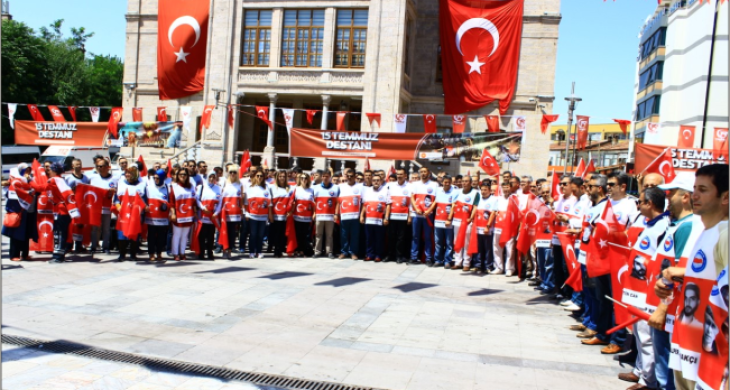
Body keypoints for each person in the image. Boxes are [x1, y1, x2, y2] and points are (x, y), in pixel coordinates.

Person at [657, 164, 728, 390]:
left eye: (703, 190)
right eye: (694, 188)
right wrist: (674, 278)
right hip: (687, 342)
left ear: (725, 197)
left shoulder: (724, 235)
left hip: (709, 352)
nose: (694, 195)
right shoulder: (705, 230)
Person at [644, 173, 696, 389]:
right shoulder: (677, 224)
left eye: (671, 192)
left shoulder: (687, 227)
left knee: (666, 374)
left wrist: (661, 309)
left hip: (669, 310)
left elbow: (676, 275)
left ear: (685, 197)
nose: (667, 197)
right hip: (664, 305)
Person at [47, 162, 82, 263]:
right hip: (61, 210)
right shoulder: (61, 180)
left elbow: (42, 187)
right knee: (60, 233)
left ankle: (58, 256)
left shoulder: (54, 180)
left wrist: (29, 183)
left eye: (50, 170)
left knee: (60, 233)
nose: (48, 171)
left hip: (62, 211)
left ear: (54, 171)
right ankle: (58, 254)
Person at [3, 164, 38, 261]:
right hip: (18, 212)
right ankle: (14, 255)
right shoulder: (15, 182)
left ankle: (25, 254)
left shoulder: (31, 180)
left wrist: (30, 182)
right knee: (15, 235)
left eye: (28, 170)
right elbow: (9, 196)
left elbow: (37, 190)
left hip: (29, 211)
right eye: (25, 171)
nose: (27, 173)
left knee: (26, 233)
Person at [114, 166, 147, 261]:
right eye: (127, 173)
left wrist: (140, 209)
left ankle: (133, 254)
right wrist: (118, 207)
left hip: (136, 214)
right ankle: (122, 254)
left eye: (130, 173)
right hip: (124, 214)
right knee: (121, 234)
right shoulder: (120, 184)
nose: (127, 175)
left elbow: (144, 200)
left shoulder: (141, 185)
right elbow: (116, 200)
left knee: (134, 234)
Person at [410, 167, 439, 265]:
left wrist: (429, 210)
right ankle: (414, 257)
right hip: (416, 214)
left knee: (427, 237)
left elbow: (436, 200)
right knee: (415, 236)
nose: (423, 173)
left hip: (428, 215)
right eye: (421, 172)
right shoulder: (415, 184)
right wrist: (416, 209)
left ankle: (428, 258)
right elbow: (412, 198)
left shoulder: (434, 185)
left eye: (424, 172)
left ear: (429, 173)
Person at [360, 173, 391, 262]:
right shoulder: (367, 190)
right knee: (369, 238)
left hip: (379, 220)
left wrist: (386, 218)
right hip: (368, 219)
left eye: (378, 180)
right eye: (374, 180)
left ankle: (378, 255)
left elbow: (388, 205)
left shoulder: (386, 190)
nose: (376, 182)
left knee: (379, 239)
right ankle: (370, 254)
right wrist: (362, 215)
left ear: (381, 181)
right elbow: (365, 205)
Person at [451, 175, 478, 270]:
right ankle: (458, 262)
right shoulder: (457, 192)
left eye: (466, 181)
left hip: (467, 221)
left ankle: (466, 263)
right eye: (463, 181)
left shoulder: (475, 193)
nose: (464, 183)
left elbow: (475, 206)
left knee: (466, 242)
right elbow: (453, 205)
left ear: (470, 182)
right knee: (456, 241)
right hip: (457, 221)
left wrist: (470, 218)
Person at [168, 168, 197, 261]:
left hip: (188, 215)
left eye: (184, 174)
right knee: (177, 235)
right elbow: (171, 202)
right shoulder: (174, 187)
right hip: (178, 214)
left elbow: (194, 201)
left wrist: (195, 213)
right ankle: (175, 253)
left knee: (185, 236)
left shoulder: (191, 187)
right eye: (181, 174)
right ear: (177, 176)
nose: (183, 176)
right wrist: (173, 213)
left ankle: (182, 253)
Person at [245, 170, 272, 258]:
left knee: (260, 235)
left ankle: (259, 251)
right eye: (258, 176)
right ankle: (252, 251)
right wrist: (246, 213)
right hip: (253, 215)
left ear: (264, 177)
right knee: (253, 234)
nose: (259, 177)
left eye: (261, 176)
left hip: (263, 216)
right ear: (254, 177)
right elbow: (246, 203)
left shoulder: (267, 188)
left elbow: (269, 203)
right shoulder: (250, 188)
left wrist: (269, 215)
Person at [65, 158, 90, 253]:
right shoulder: (68, 178)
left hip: (82, 206)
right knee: (71, 226)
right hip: (72, 206)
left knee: (80, 226)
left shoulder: (86, 178)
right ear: (73, 166)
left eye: (80, 164)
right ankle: (69, 246)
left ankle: (79, 246)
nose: (79, 166)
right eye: (77, 164)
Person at [386, 168, 411, 263]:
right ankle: (390, 255)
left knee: (401, 238)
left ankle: (399, 256)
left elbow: (410, 204)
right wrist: (386, 217)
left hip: (403, 216)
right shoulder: (391, 185)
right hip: (392, 216)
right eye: (398, 174)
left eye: (401, 174)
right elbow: (388, 201)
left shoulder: (409, 186)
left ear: (405, 176)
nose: (399, 176)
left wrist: (409, 216)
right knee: (391, 237)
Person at [337, 168, 363, 260]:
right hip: (344, 215)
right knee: (344, 235)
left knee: (355, 235)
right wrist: (336, 214)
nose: (349, 178)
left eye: (351, 176)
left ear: (355, 176)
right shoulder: (341, 186)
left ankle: (353, 252)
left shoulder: (360, 187)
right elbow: (338, 202)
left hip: (355, 216)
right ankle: (344, 252)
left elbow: (363, 202)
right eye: (348, 176)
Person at [195, 173, 222, 260]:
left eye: (213, 177)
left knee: (210, 237)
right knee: (201, 237)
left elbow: (220, 203)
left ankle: (210, 253)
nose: (211, 178)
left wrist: (216, 213)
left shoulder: (218, 188)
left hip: (212, 217)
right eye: (210, 177)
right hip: (202, 216)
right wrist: (202, 208)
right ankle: (201, 253)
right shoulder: (201, 187)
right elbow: (197, 200)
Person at [313, 170, 339, 258]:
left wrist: (336, 214)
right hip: (319, 215)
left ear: (330, 177)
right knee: (318, 234)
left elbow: (337, 203)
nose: (325, 178)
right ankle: (317, 251)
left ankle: (329, 252)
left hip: (330, 216)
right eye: (323, 176)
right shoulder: (316, 188)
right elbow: (314, 202)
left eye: (327, 176)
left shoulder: (335, 188)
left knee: (329, 235)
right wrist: (314, 213)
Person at [145, 169, 170, 261]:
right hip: (151, 217)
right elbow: (144, 199)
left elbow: (170, 201)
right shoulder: (149, 187)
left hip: (162, 218)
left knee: (161, 237)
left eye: (158, 178)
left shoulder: (167, 188)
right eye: (154, 178)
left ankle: (159, 253)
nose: (156, 180)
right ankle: (151, 253)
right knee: (151, 236)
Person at [473, 179, 497, 274]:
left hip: (487, 229)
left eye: (485, 190)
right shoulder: (479, 198)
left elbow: (493, 213)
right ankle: (479, 265)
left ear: (489, 190)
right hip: (477, 227)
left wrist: (488, 226)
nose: (483, 192)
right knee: (479, 248)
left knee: (488, 248)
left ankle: (488, 265)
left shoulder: (493, 199)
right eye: (482, 190)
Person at [220, 165, 243, 259]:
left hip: (235, 213)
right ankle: (223, 249)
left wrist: (242, 211)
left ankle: (229, 250)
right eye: (231, 172)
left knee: (232, 233)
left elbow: (241, 199)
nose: (232, 174)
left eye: (234, 172)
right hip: (225, 212)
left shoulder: (240, 185)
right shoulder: (224, 183)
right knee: (224, 231)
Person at [492, 179, 514, 275]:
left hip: (509, 228)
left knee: (510, 249)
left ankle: (509, 268)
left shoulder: (514, 199)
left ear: (510, 188)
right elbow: (494, 211)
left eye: (507, 187)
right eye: (504, 187)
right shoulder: (498, 199)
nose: (505, 189)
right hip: (498, 227)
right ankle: (498, 267)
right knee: (496, 247)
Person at [433, 175, 455, 268]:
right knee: (438, 242)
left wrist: (449, 219)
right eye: (445, 182)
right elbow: (435, 203)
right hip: (438, 221)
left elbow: (453, 206)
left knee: (449, 243)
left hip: (448, 222)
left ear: (451, 182)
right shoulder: (438, 191)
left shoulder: (454, 192)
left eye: (448, 182)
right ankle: (438, 260)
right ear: (442, 182)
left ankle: (447, 261)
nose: (446, 184)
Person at [270, 170, 293, 258]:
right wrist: (270, 215)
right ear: (277, 177)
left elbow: (292, 202)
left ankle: (281, 249)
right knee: (276, 234)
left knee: (283, 234)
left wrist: (290, 212)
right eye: (280, 176)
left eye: (284, 176)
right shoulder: (272, 188)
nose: (282, 178)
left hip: (285, 216)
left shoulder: (290, 188)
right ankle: (276, 250)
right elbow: (270, 202)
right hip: (275, 215)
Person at [291, 173, 315, 257]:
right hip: (297, 216)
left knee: (306, 235)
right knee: (297, 234)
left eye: (305, 178)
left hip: (307, 217)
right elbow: (292, 202)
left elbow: (313, 204)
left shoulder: (312, 190)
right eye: (302, 178)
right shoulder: (296, 189)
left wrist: (314, 214)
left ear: (308, 179)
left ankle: (304, 251)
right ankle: (297, 250)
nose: (304, 180)